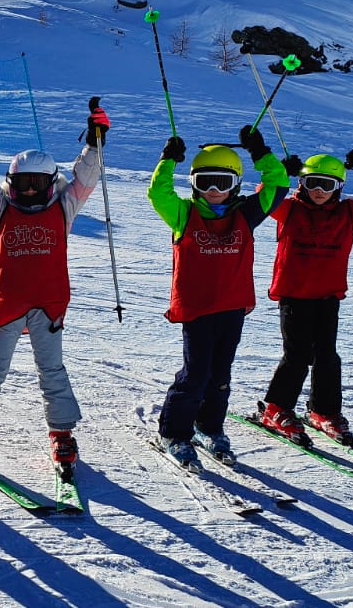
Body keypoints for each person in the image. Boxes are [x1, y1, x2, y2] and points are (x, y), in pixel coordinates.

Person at [0, 100, 108, 477]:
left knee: (51, 369)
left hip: (48, 305)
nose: (30, 191)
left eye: (37, 184)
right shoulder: (3, 208)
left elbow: (85, 180)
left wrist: (95, 144)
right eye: (23, 184)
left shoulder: (63, 209)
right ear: (11, 184)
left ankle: (62, 433)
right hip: (8, 303)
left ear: (51, 184)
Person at [148, 124, 289, 467]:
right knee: (196, 373)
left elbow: (278, 184)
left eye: (222, 183)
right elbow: (158, 194)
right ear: (193, 184)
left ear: (236, 184)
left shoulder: (246, 214)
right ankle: (174, 432)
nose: (213, 190)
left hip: (232, 307)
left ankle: (209, 426)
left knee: (220, 374)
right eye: (205, 182)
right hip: (197, 308)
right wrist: (168, 161)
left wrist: (260, 152)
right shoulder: (184, 214)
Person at [256, 148, 353, 447]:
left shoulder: (347, 213)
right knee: (298, 354)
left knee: (327, 356)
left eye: (327, 185)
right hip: (294, 294)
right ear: (301, 184)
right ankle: (276, 408)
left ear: (338, 187)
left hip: (328, 296)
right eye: (312, 183)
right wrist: (279, 173)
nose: (319, 190)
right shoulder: (289, 210)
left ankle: (323, 411)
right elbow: (265, 197)